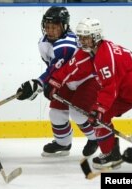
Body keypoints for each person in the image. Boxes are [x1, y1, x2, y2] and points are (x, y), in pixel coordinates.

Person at [44, 17, 132, 169]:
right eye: (81, 37)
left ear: (96, 36)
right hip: (124, 92)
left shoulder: (105, 55)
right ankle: (110, 154)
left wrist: (100, 108)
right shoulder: (89, 52)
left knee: (99, 114)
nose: (82, 40)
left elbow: (110, 87)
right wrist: (54, 81)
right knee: (100, 118)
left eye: (86, 37)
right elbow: (72, 67)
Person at [16, 6, 98, 157]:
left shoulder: (66, 44)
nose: (50, 30)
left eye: (54, 27)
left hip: (86, 79)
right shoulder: (43, 42)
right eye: (47, 26)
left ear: (64, 26)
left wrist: (39, 83)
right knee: (56, 113)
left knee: (78, 114)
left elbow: (54, 69)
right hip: (64, 79)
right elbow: (53, 67)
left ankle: (95, 138)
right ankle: (63, 143)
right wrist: (43, 84)